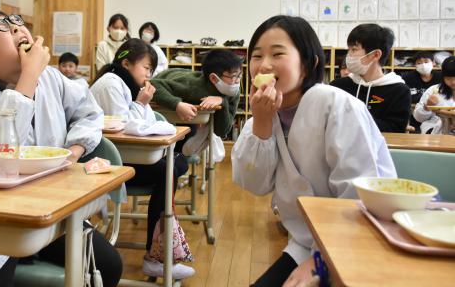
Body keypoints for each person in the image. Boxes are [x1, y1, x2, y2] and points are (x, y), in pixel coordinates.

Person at [0, 8, 122, 287]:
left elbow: (89, 113)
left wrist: (74, 150)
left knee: (110, 266)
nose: (17, 27)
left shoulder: (52, 78)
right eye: (2, 26)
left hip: (52, 206)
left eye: (16, 21)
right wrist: (28, 77)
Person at [232, 15, 396, 287]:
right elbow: (254, 184)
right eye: (257, 56)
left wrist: (322, 259)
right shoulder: (262, 118)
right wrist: (261, 121)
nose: (264, 65)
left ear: (309, 64)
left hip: (361, 239)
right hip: (305, 243)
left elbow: (357, 196)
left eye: (277, 54)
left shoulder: (336, 105)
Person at [90, 39, 194, 280]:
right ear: (126, 63)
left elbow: (145, 122)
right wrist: (140, 103)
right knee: (169, 171)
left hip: (125, 154)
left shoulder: (124, 83)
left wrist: (141, 103)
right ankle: (155, 257)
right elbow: (126, 128)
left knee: (176, 164)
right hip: (111, 161)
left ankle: (158, 253)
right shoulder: (110, 84)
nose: (149, 74)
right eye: (146, 68)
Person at [150, 50, 243, 152]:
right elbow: (153, 84)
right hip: (167, 80)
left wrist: (222, 101)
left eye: (239, 75)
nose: (238, 80)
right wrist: (177, 104)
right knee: (186, 128)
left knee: (197, 126)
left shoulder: (233, 90)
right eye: (234, 76)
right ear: (214, 78)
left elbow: (222, 131)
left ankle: (181, 155)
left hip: (185, 94)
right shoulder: (192, 85)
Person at [330, 24, 411, 133]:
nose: (348, 56)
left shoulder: (399, 90)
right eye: (348, 50)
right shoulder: (337, 86)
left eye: (354, 50)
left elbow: (395, 128)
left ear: (376, 55)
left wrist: (353, 120)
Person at [413, 56, 455, 134]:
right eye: (448, 78)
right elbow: (418, 118)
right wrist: (427, 107)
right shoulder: (434, 90)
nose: (453, 82)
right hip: (435, 134)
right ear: (443, 77)